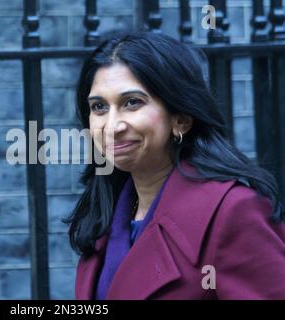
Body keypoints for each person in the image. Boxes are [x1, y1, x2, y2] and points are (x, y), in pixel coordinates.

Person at [65, 32, 285, 300]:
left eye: (132, 103)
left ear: (181, 119)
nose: (112, 127)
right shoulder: (106, 213)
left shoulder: (233, 212)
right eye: (99, 107)